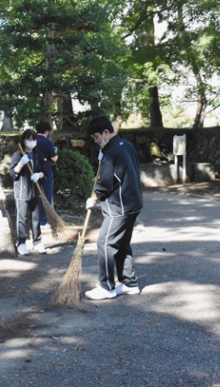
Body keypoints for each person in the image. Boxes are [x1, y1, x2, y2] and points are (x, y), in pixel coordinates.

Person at [84, 115, 142, 300]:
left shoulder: (111, 151)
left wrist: (93, 198)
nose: (96, 141)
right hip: (133, 203)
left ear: (106, 132)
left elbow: (106, 183)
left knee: (105, 242)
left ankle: (106, 286)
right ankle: (129, 284)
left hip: (119, 207)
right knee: (122, 244)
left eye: (96, 137)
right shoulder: (126, 145)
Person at [10, 129, 48, 256]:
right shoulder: (18, 155)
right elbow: (13, 173)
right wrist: (20, 164)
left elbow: (45, 172)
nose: (31, 142)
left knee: (36, 218)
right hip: (22, 191)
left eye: (33, 140)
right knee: (22, 218)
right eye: (28, 139)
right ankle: (21, 243)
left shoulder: (38, 155)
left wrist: (39, 175)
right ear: (24, 140)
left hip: (36, 191)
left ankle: (37, 242)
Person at [35, 122, 58, 229]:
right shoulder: (48, 143)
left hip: (33, 169)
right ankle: (43, 221)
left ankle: (34, 219)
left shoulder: (32, 140)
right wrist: (56, 154)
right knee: (46, 195)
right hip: (45, 169)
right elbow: (54, 158)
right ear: (47, 131)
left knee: (35, 194)